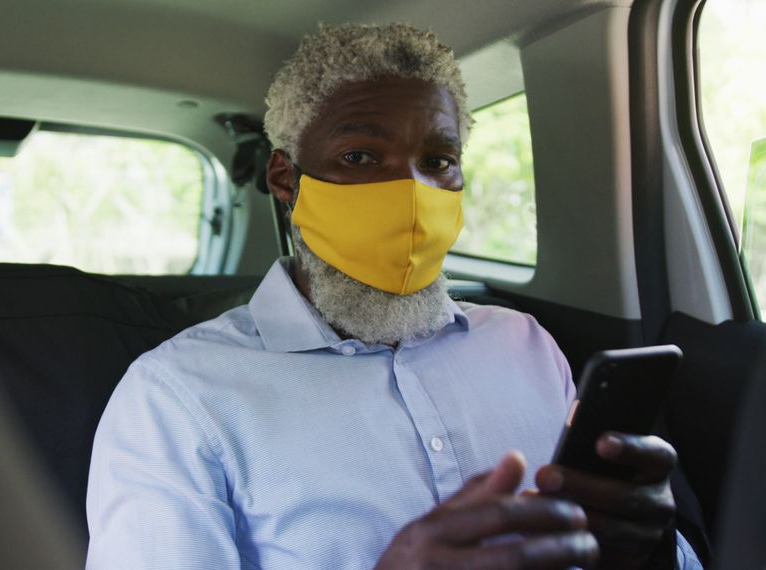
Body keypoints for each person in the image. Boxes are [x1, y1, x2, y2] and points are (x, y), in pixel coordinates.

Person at [87, 22, 702, 569]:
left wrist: (644, 551)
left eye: (438, 159)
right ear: (285, 178)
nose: (410, 192)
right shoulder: (178, 394)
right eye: (359, 156)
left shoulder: (526, 345)